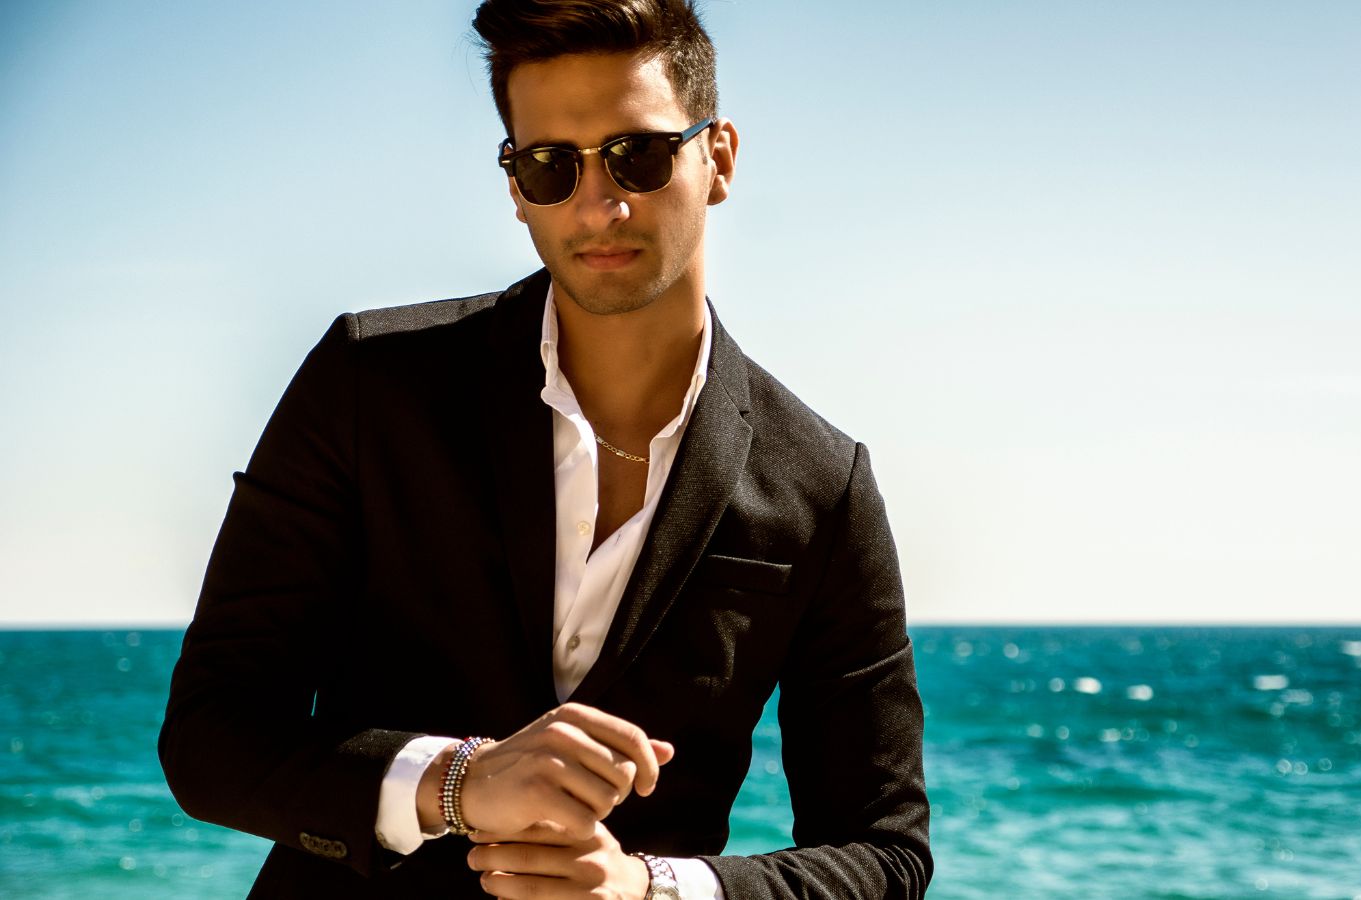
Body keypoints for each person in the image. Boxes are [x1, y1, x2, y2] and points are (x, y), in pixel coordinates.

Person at [158, 1, 932, 897]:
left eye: (637, 155)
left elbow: (884, 854)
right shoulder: (367, 385)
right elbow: (212, 736)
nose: (598, 203)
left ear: (717, 158)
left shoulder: (823, 487)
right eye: (550, 166)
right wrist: (458, 784)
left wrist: (653, 891)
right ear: (515, 186)